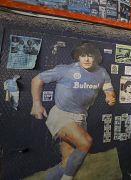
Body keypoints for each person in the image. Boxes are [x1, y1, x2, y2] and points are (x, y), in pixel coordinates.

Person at [30, 42, 116, 180]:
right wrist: (36, 104)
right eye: (83, 56)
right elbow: (37, 79)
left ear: (96, 57)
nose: (86, 59)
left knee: (67, 164)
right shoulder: (66, 70)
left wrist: (110, 97)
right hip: (61, 115)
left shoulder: (102, 73)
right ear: (78, 57)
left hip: (81, 117)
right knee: (85, 142)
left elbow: (108, 89)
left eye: (90, 55)